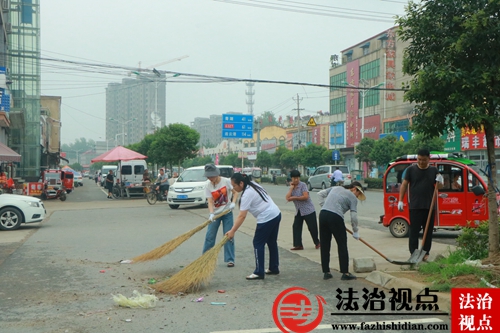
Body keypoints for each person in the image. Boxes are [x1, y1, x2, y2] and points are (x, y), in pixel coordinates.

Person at [226, 173, 281, 280]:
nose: (233, 188)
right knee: (271, 242)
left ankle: (259, 272)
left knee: (257, 243)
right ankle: (274, 268)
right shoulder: (253, 185)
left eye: (234, 186)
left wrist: (232, 231)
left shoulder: (247, 194)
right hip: (276, 214)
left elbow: (242, 216)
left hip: (267, 217)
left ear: (241, 183)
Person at [398, 149, 443, 262]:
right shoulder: (411, 170)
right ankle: (413, 253)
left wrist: (441, 182)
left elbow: (439, 187)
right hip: (415, 206)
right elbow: (404, 185)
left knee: (428, 231)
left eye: (424, 160)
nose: (421, 162)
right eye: (419, 159)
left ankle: (426, 253)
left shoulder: (433, 170)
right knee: (414, 231)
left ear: (429, 159)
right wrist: (400, 200)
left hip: (429, 205)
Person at [317, 181, 366, 281]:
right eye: (358, 193)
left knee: (325, 244)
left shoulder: (335, 188)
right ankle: (345, 273)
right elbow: (353, 217)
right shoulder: (352, 198)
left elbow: (320, 194)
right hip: (335, 217)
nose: (357, 196)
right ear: (355, 189)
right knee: (342, 244)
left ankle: (326, 272)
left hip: (323, 215)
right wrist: (355, 231)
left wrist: (324, 206)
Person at [202, 164, 238, 267]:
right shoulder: (208, 185)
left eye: (211, 176)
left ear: (216, 174)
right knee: (210, 236)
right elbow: (210, 201)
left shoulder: (226, 181)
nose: (210, 178)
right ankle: (205, 258)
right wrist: (211, 213)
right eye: (208, 176)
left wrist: (233, 203)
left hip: (227, 212)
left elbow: (235, 192)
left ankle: (230, 259)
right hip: (216, 214)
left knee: (228, 235)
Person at [286, 170, 320, 250]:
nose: (296, 180)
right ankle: (298, 245)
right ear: (291, 178)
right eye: (294, 178)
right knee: (296, 227)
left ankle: (317, 242)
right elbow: (287, 197)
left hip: (308, 210)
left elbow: (305, 197)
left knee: (312, 227)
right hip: (299, 211)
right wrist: (291, 188)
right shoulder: (292, 187)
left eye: (297, 178)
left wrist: (294, 198)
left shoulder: (303, 185)